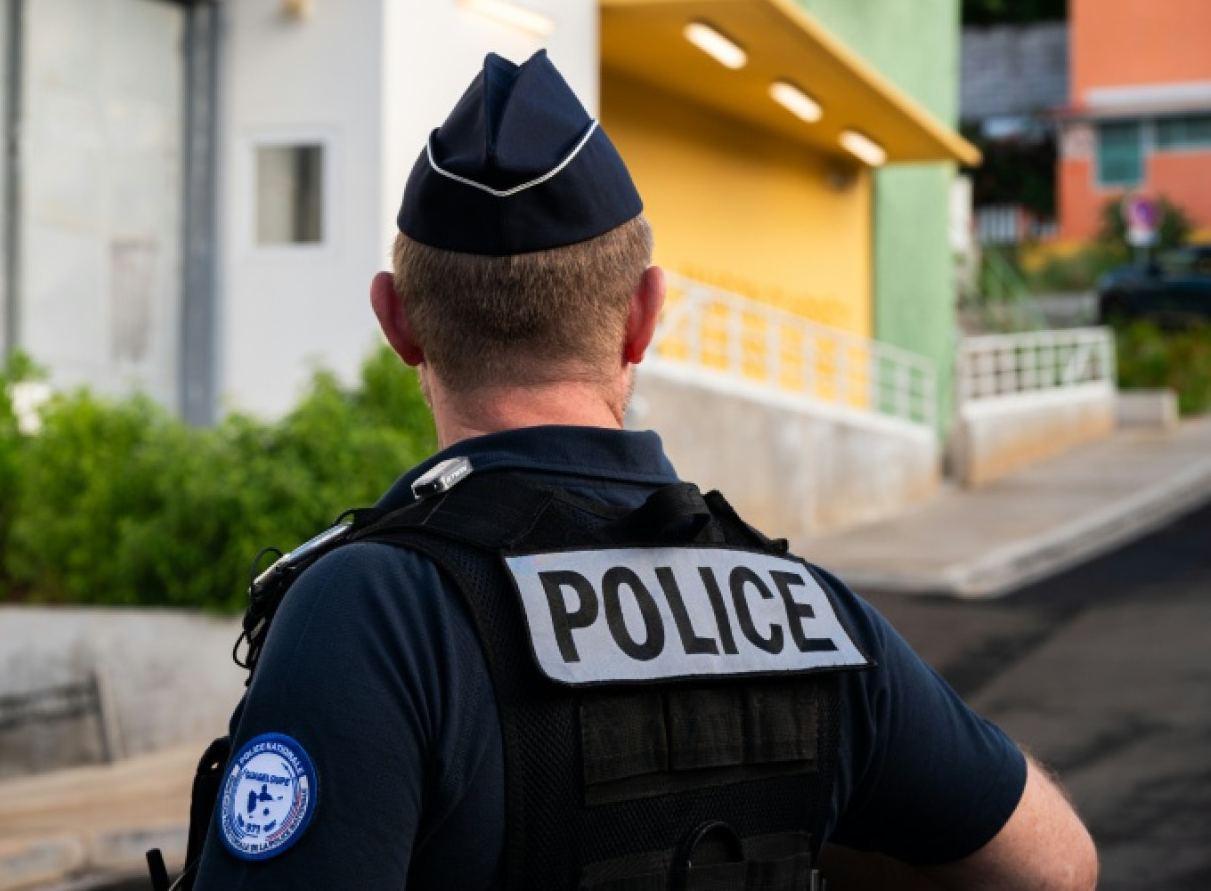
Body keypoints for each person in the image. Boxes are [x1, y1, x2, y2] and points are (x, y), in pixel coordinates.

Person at [189, 50, 1098, 890]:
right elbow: (1059, 867)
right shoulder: (804, 610)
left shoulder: (375, 615)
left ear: (397, 323)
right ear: (645, 317)